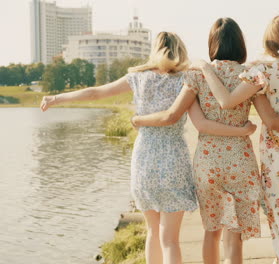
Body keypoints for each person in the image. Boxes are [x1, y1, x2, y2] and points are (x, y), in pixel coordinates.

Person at [40, 32, 255, 264]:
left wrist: (57, 99)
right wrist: (242, 129)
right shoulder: (187, 79)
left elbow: (96, 92)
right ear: (180, 50)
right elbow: (200, 122)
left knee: (152, 233)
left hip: (144, 160)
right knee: (170, 240)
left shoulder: (137, 78)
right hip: (174, 160)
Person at [131, 18, 279, 264]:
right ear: (240, 44)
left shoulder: (196, 76)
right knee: (234, 235)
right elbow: (269, 117)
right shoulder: (250, 75)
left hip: (207, 162)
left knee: (211, 232)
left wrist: (139, 120)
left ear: (212, 43)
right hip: (240, 161)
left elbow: (176, 116)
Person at [192, 16, 279, 263]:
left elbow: (227, 102)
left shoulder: (261, 72)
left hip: (278, 164)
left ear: (268, 42)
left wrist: (206, 68)